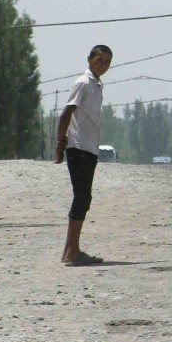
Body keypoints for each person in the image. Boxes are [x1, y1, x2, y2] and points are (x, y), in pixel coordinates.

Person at [55, 44, 113, 265]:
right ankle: (72, 252)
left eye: (107, 62)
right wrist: (60, 143)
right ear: (89, 59)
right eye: (99, 60)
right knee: (82, 196)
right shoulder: (83, 83)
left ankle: (70, 250)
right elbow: (66, 114)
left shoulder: (97, 85)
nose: (103, 65)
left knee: (83, 197)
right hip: (78, 147)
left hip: (89, 148)